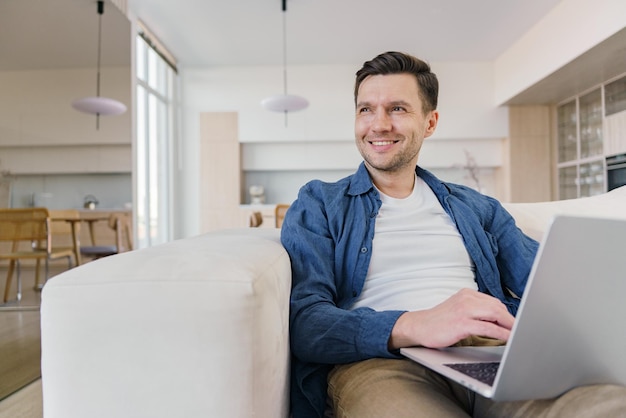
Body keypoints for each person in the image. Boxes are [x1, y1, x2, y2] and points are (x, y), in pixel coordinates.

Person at [280, 51, 626, 418]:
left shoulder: (477, 207)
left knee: (607, 406)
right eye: (366, 109)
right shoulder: (319, 202)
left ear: (430, 123)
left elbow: (549, 284)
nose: (378, 124)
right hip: (383, 363)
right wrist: (417, 323)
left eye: (397, 108)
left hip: (492, 354)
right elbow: (308, 325)